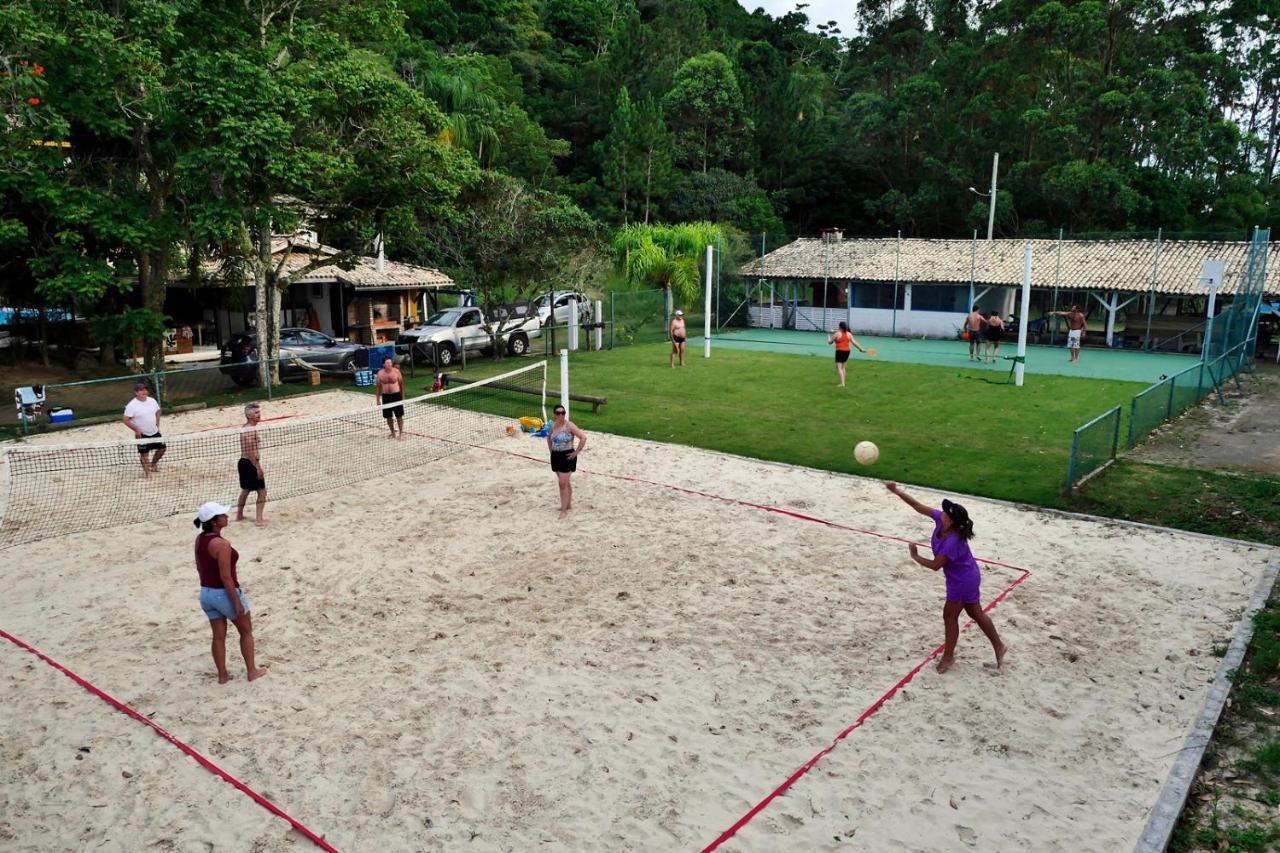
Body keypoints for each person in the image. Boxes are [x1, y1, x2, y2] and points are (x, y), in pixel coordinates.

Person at [885, 482, 1007, 674]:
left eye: (945, 512)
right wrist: (897, 491)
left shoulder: (952, 541)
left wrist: (915, 556)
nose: (941, 512)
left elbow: (935, 566)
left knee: (950, 616)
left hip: (962, 581)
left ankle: (948, 657)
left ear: (951, 521)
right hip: (967, 575)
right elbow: (917, 506)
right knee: (975, 613)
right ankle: (999, 647)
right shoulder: (942, 521)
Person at [193, 502, 266, 684]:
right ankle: (251, 671)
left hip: (206, 593)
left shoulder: (200, 539)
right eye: (222, 515)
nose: (226, 517)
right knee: (246, 632)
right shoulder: (222, 544)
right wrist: (236, 602)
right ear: (214, 522)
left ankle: (223, 676)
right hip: (223, 593)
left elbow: (199, 567)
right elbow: (226, 577)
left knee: (218, 636)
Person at [547, 404, 587, 520]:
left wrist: (576, 452)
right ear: (555, 414)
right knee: (565, 482)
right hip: (556, 456)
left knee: (562, 483)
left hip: (567, 456)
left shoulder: (570, 425)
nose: (561, 415)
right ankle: (568, 505)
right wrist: (551, 451)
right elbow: (549, 438)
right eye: (559, 413)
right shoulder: (553, 426)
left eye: (563, 413)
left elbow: (583, 438)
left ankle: (563, 511)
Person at [123, 382, 166, 478]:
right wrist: (136, 430)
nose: (144, 391)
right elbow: (125, 420)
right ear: (136, 392)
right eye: (141, 390)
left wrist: (157, 424)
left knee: (162, 449)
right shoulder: (131, 405)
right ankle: (147, 473)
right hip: (142, 434)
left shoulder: (152, 401)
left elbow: (158, 411)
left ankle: (153, 464)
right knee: (144, 454)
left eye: (145, 389)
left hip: (154, 431)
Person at [235, 403, 267, 526]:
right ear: (249, 416)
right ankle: (259, 520)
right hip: (249, 463)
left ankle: (239, 515)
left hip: (244, 463)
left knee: (246, 490)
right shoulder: (249, 430)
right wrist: (258, 468)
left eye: (259, 412)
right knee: (262, 491)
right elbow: (250, 452)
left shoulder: (249, 427)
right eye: (256, 413)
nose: (259, 415)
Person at [826, 321, 869, 387]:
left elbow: (829, 342)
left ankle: (842, 384)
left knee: (839, 367)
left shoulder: (837, 334)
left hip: (839, 351)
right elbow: (854, 342)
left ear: (839, 326)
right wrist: (861, 349)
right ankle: (843, 383)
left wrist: (829, 335)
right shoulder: (849, 334)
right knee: (843, 367)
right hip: (847, 351)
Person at [375, 356, 405, 439]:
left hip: (396, 396)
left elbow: (401, 384)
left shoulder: (396, 372)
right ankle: (392, 433)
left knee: (399, 416)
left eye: (390, 362)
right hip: (386, 397)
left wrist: (403, 397)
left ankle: (401, 433)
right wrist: (377, 400)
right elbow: (378, 387)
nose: (389, 364)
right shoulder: (380, 373)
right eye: (387, 363)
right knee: (388, 417)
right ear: (384, 364)